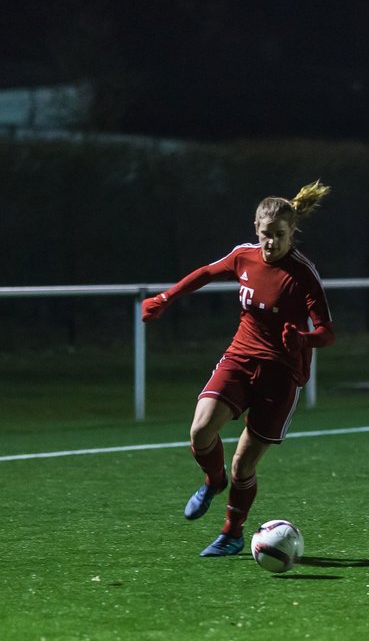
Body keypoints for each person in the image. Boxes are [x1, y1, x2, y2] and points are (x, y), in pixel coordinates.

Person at [141, 181, 336, 557]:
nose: (271, 243)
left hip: (282, 375)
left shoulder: (304, 274)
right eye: (266, 235)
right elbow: (205, 273)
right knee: (200, 430)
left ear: (292, 233)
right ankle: (213, 481)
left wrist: (304, 340)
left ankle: (231, 533)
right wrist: (165, 298)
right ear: (256, 229)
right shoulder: (243, 256)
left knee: (243, 465)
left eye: (280, 236)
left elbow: (327, 332)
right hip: (240, 358)